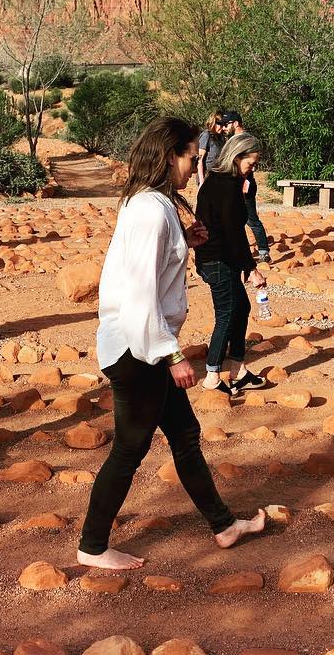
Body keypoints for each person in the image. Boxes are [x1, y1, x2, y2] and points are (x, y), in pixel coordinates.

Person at [77, 116, 266, 570]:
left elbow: (149, 267)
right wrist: (172, 355)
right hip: (136, 347)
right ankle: (93, 545)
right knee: (129, 448)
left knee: (184, 434)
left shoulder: (156, 205)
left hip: (143, 344)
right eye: (189, 156)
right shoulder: (148, 209)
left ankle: (223, 525)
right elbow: (140, 291)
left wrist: (184, 238)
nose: (193, 165)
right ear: (168, 156)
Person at [195, 132, 270, 396]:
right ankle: (212, 376)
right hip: (217, 259)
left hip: (218, 257)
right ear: (236, 158)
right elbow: (233, 233)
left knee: (241, 306)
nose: (253, 169)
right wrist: (252, 269)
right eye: (251, 164)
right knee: (226, 314)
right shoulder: (226, 187)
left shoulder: (221, 181)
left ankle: (238, 370)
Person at [219, 110, 271, 263]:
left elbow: (253, 164)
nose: (224, 128)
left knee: (251, 219)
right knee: (232, 219)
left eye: (226, 124)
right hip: (231, 184)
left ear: (235, 123)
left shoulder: (249, 140)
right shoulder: (230, 141)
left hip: (245, 184)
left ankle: (263, 251)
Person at [195, 111, 227, 187]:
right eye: (219, 124)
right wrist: (202, 181)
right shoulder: (206, 135)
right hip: (207, 177)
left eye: (224, 124)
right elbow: (199, 160)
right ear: (213, 122)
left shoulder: (221, 138)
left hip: (218, 177)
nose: (222, 127)